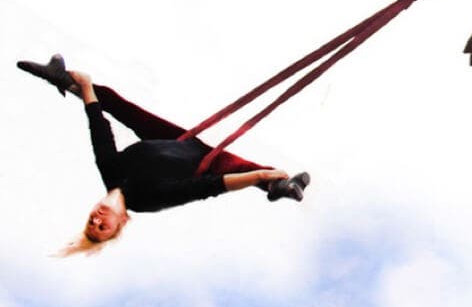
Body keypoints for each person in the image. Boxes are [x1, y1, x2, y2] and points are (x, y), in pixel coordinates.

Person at [17, 54, 311, 254]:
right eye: (102, 227)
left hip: (171, 140)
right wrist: (261, 176)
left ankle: (64, 79)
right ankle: (275, 185)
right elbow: (207, 187)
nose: (96, 220)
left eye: (91, 222)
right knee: (229, 166)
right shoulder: (146, 200)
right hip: (199, 163)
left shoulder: (110, 172)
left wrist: (85, 86)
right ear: (121, 224)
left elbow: (100, 130)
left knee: (124, 109)